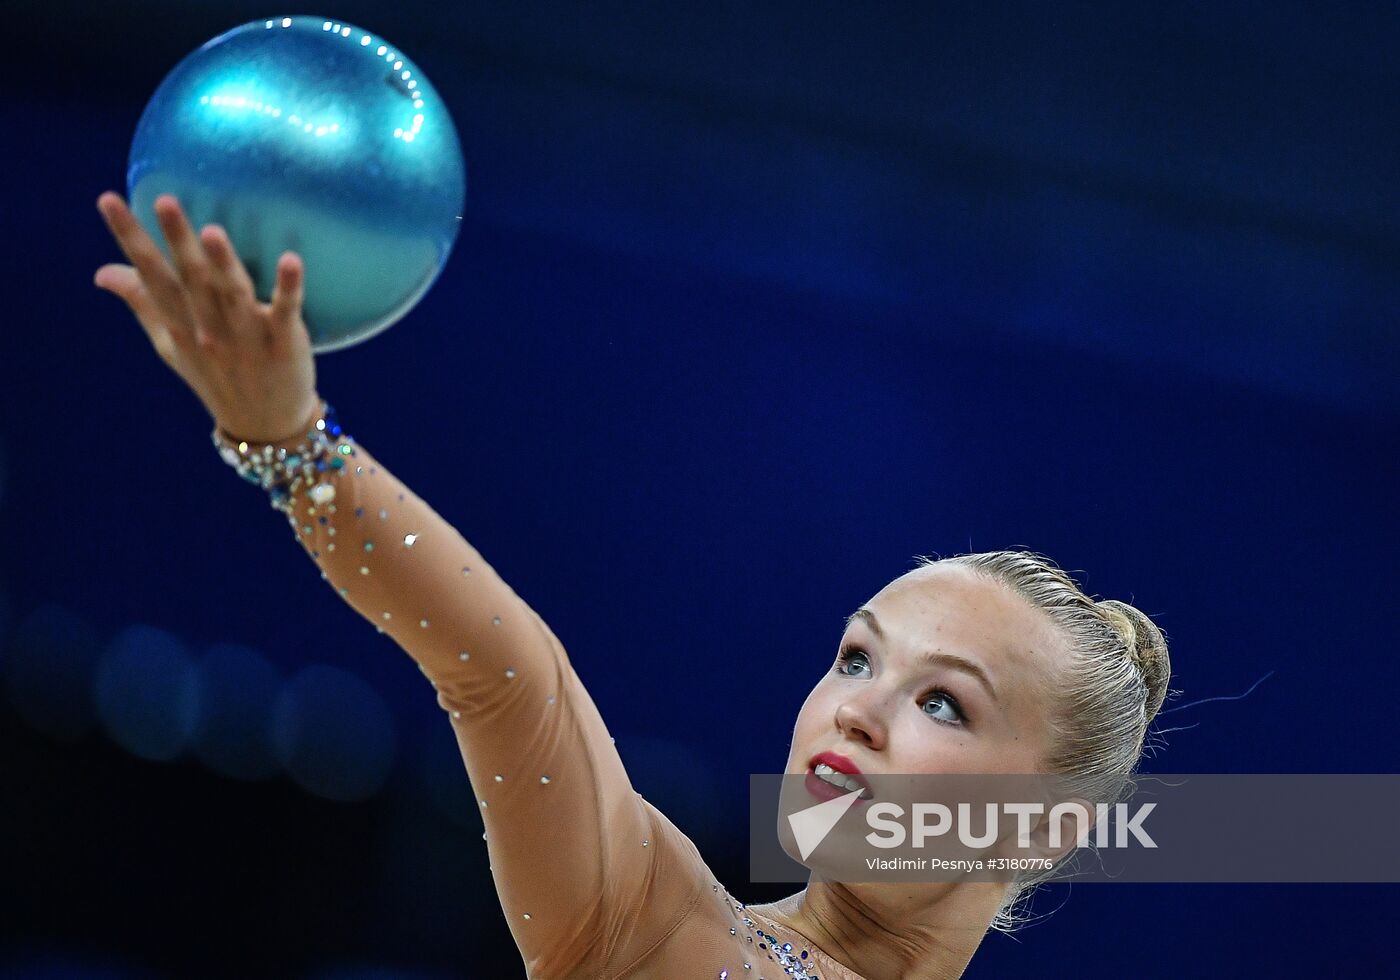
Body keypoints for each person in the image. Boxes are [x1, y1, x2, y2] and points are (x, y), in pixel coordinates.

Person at [94, 191, 1172, 980]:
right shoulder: (656, 926)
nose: (857, 709)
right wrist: (290, 441)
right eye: (854, 657)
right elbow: (508, 674)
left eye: (943, 700)